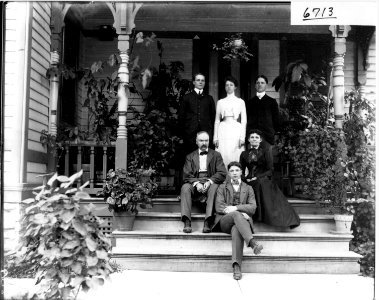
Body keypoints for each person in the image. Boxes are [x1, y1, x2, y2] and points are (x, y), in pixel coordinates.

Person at [212, 161, 263, 280]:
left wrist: (236, 208)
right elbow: (219, 206)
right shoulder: (222, 187)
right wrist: (239, 212)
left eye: (237, 170)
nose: (234, 173)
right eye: (231, 171)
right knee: (236, 215)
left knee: (236, 229)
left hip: (241, 224)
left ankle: (236, 267)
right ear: (228, 174)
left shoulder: (248, 188)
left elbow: (253, 207)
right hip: (225, 221)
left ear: (241, 172)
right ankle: (252, 242)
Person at [240, 129, 300, 228]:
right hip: (249, 179)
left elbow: (270, 170)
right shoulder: (244, 154)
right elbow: (241, 170)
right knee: (251, 185)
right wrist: (245, 179)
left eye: (256, 137)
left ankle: (265, 216)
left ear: (260, 140)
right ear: (248, 140)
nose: (254, 139)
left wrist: (257, 177)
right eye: (252, 137)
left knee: (260, 184)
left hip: (263, 177)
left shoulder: (265, 152)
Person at [181, 131, 227, 234]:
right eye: (201, 140)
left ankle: (208, 221)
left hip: (210, 181)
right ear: (196, 141)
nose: (204, 143)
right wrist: (197, 183)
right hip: (194, 181)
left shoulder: (216, 155)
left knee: (214, 187)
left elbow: (222, 172)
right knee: (185, 188)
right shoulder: (190, 156)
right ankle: (187, 221)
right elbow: (187, 174)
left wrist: (210, 181)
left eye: (206, 140)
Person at [178, 73, 216, 154]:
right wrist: (182, 135)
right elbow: (181, 117)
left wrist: (212, 134)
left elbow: (213, 117)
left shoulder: (209, 98)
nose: (200, 82)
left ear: (205, 83)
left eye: (202, 80)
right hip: (190, 133)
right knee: (190, 156)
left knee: (205, 156)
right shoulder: (187, 97)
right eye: (198, 80)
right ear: (194, 82)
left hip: (206, 133)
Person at [213, 76, 246, 168]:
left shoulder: (240, 102)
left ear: (235, 87)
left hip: (236, 129)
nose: (229, 87)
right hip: (223, 129)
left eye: (231, 85)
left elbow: (244, 120)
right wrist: (215, 137)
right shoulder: (220, 102)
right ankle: (223, 178)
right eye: (227, 85)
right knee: (224, 153)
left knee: (235, 153)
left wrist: (242, 137)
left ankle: (236, 177)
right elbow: (217, 120)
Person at [246, 75, 280, 148]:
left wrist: (273, 133)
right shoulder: (250, 102)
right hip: (252, 138)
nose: (260, 85)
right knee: (253, 158)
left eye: (262, 83)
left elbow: (276, 120)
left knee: (267, 158)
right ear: (255, 85)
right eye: (258, 83)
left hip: (267, 137)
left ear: (266, 85)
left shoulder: (272, 102)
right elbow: (246, 119)